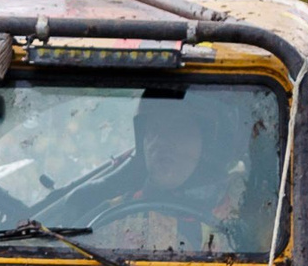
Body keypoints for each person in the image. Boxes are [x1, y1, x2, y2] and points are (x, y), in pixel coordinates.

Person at [83, 99, 252, 251]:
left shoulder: (245, 207)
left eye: (177, 129)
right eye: (153, 130)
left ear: (207, 145)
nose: (159, 142)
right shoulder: (114, 218)